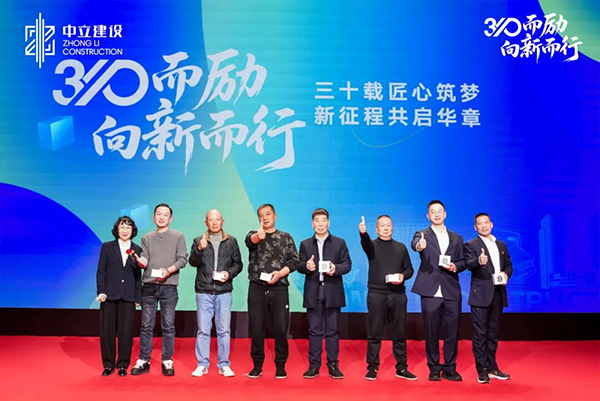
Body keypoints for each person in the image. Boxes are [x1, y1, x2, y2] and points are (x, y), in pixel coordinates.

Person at [411, 200, 466, 381]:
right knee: (431, 331)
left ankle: (450, 367)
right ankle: (434, 367)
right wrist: (419, 245)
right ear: (428, 216)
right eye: (433, 212)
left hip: (451, 290)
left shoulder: (457, 238)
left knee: (452, 331)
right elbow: (415, 244)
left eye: (439, 211)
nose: (436, 214)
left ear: (445, 214)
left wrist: (455, 266)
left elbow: (463, 261)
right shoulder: (422, 235)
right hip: (430, 290)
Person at [131, 203, 188, 376]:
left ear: (170, 218)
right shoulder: (146, 237)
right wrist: (142, 263)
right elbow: (145, 258)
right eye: (158, 214)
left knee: (168, 326)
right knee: (146, 325)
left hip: (168, 287)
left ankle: (167, 360)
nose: (161, 217)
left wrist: (168, 271)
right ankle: (144, 360)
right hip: (149, 286)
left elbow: (182, 259)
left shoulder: (178, 236)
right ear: (154, 216)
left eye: (165, 215)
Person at [360, 215, 417, 381]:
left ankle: (402, 368)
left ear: (393, 227)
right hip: (377, 294)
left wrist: (402, 276)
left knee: (400, 333)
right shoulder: (372, 246)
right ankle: (372, 367)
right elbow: (365, 243)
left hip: (398, 295)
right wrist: (363, 233)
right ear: (376, 229)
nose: (386, 228)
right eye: (382, 225)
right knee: (374, 333)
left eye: (388, 225)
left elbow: (409, 270)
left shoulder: (401, 247)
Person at [245, 204, 299, 379]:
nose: (265, 218)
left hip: (279, 287)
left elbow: (294, 260)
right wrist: (257, 236)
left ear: (275, 216)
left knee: (281, 328)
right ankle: (257, 365)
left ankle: (280, 365)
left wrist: (281, 273)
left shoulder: (286, 237)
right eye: (261, 215)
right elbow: (250, 241)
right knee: (256, 328)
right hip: (257, 288)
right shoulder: (253, 235)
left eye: (268, 214)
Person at [297, 208, 352, 379]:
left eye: (323, 220)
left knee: (332, 331)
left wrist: (336, 269)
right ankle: (314, 366)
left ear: (328, 223)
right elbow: (298, 265)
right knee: (314, 331)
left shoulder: (339, 242)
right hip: (313, 291)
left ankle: (333, 365)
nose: (320, 224)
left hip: (332, 291)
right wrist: (307, 266)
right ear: (312, 224)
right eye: (317, 221)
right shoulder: (305, 244)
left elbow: (347, 264)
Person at [188, 209, 243, 378]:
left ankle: (224, 364)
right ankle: (202, 364)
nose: (214, 223)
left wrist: (229, 273)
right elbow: (192, 262)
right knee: (203, 330)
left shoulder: (231, 241)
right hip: (203, 291)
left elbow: (238, 264)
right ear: (206, 222)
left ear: (222, 221)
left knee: (224, 330)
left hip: (224, 292)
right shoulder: (198, 240)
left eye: (217, 219)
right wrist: (199, 249)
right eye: (211, 220)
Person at [464, 213, 513, 384]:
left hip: (498, 293)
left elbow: (509, 265)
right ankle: (482, 369)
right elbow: (468, 264)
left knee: (493, 333)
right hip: (480, 295)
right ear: (475, 227)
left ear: (491, 224)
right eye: (480, 223)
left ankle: (492, 367)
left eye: (486, 223)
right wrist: (479, 261)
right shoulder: (471, 244)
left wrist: (506, 274)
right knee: (480, 334)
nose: (483, 226)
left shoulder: (501, 244)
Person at [96, 216, 143, 376]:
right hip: (109, 295)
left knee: (126, 332)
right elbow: (101, 271)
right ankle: (108, 364)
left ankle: (123, 364)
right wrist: (101, 291)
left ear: (133, 231)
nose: (125, 230)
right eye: (122, 227)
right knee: (107, 331)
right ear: (117, 229)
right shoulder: (107, 247)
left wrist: (138, 297)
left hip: (128, 296)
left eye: (128, 228)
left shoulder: (137, 249)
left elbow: (138, 276)